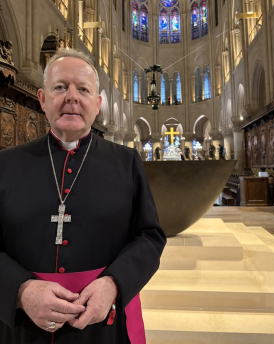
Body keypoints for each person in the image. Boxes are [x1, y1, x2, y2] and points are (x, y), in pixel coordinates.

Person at [0, 48, 166, 344]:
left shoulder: (126, 162)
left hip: (101, 327)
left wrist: (114, 284)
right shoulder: (6, 164)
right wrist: (19, 291)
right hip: (21, 328)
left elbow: (149, 237)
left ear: (98, 103)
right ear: (42, 99)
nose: (72, 97)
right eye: (60, 87)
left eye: (84, 89)